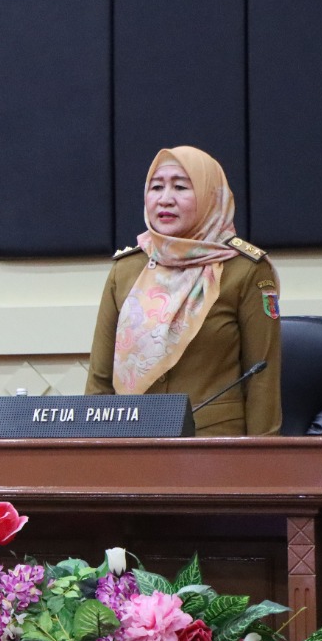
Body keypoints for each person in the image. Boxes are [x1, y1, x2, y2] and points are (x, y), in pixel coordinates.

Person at [85, 146, 281, 435]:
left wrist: (263, 465)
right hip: (134, 442)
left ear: (209, 195)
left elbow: (262, 379)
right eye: (156, 187)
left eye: (180, 187)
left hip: (214, 446)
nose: (165, 199)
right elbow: (100, 382)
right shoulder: (126, 270)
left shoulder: (246, 270)